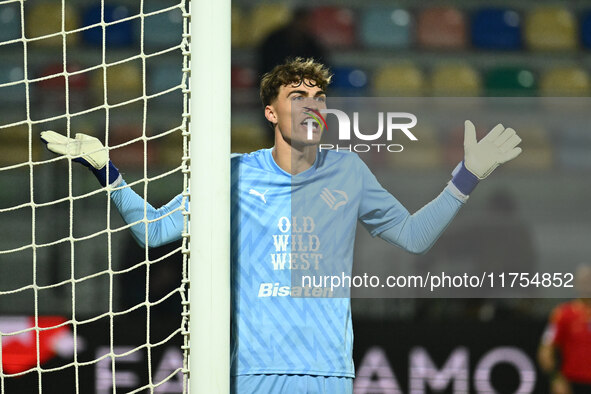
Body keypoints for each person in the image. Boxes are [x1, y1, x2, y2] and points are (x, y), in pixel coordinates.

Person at [40, 57, 522, 393]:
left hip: (330, 374)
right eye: (298, 96)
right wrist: (107, 171)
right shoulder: (230, 172)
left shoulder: (349, 170)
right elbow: (153, 231)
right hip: (253, 372)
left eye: (319, 97)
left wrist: (467, 176)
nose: (312, 104)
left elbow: (414, 237)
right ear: (271, 112)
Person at [538, 264, 591, 394]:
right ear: (576, 284)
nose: (587, 285)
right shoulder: (562, 314)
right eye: (583, 281)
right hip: (572, 382)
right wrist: (556, 379)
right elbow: (546, 349)